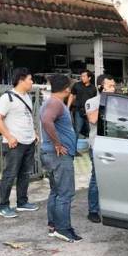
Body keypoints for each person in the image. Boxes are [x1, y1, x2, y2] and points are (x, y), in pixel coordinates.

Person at [40, 74, 82, 243]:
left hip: (52, 155)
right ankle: (63, 229)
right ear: (66, 89)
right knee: (65, 193)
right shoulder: (55, 103)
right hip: (58, 156)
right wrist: (57, 143)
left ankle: (54, 226)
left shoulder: (51, 102)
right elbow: (46, 120)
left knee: (56, 192)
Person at [0, 67, 39, 218]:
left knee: (24, 174)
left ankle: (22, 202)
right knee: (10, 175)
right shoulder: (7, 98)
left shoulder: (26, 96)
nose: (32, 82)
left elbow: (26, 117)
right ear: (21, 80)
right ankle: (3, 206)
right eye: (30, 79)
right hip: (14, 143)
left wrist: (34, 133)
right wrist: (9, 136)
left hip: (29, 141)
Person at [82, 74, 116, 223]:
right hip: (98, 146)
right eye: (110, 86)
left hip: (115, 145)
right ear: (101, 87)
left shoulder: (117, 102)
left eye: (114, 86)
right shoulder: (92, 102)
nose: (113, 89)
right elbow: (93, 119)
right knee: (97, 178)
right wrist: (104, 100)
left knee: (113, 178)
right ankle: (93, 210)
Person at [67, 70, 97, 153]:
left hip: (89, 113)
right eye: (81, 76)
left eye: (84, 76)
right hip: (78, 111)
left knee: (91, 131)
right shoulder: (77, 85)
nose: (82, 77)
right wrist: (67, 107)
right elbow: (71, 95)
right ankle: (73, 150)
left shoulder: (93, 88)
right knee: (76, 130)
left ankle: (92, 150)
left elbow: (94, 101)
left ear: (89, 78)